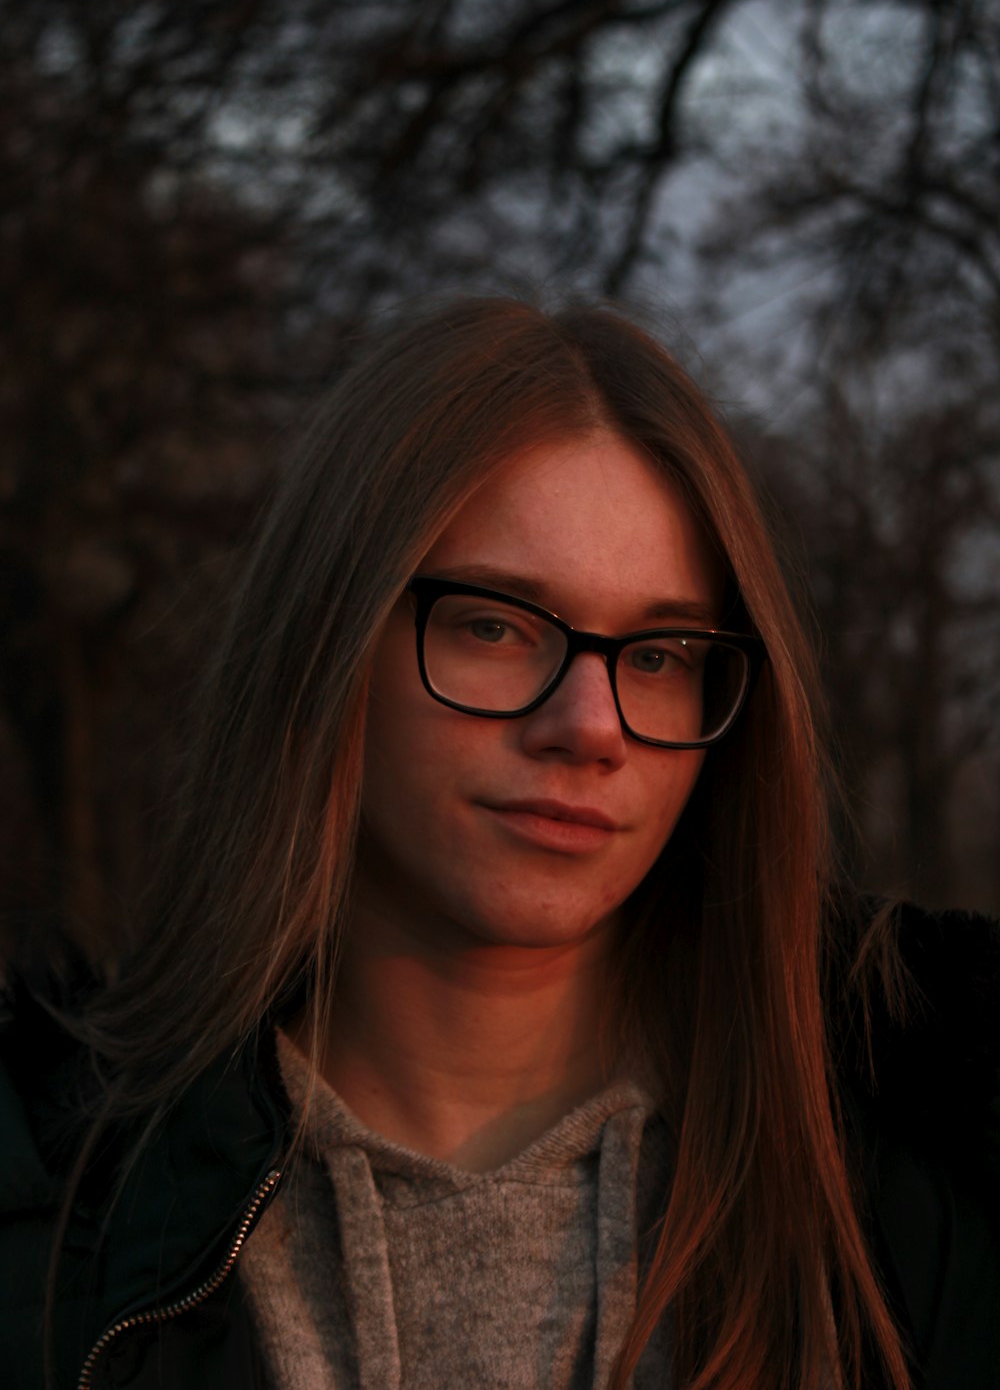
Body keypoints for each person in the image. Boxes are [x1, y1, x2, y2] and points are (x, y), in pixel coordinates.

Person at [1, 297, 998, 1390]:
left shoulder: (922, 1193)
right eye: (494, 625)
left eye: (660, 653)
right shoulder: (53, 1219)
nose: (591, 726)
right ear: (329, 645)